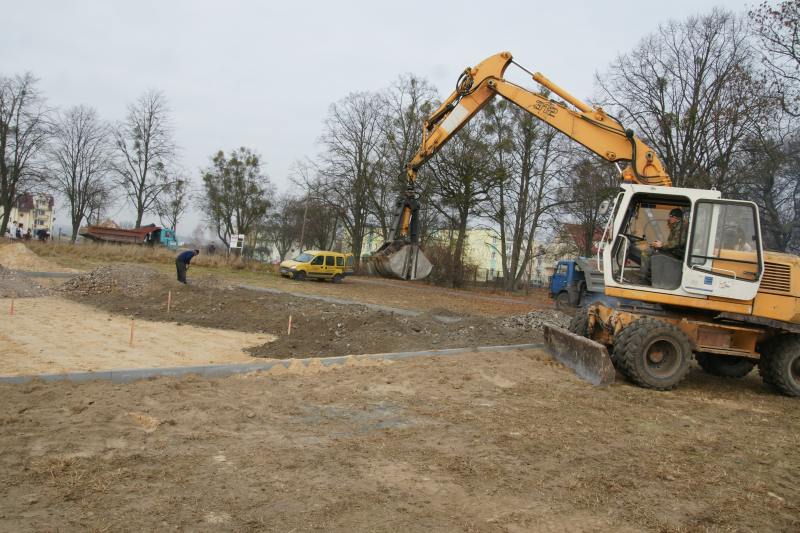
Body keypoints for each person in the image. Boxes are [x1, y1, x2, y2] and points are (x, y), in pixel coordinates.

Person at [640, 207, 687, 283]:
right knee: (652, 250)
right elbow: (673, 242)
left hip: (676, 255)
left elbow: (677, 243)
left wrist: (661, 245)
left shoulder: (681, 227)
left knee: (646, 252)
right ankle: (651, 275)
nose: (669, 218)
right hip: (674, 252)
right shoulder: (677, 226)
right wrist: (660, 245)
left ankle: (643, 278)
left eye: (670, 216)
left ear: (675, 217)